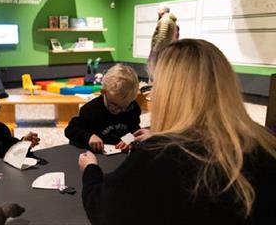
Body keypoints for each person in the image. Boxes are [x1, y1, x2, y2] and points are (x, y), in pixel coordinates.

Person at [79, 39, 276, 225]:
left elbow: (103, 210)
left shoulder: (158, 156)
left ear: (170, 93)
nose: (152, 95)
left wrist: (90, 169)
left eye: (154, 87)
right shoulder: (265, 143)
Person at [65, 64, 141, 153]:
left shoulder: (132, 108)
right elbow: (71, 130)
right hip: (94, 155)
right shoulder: (91, 110)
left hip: (118, 155)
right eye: (113, 104)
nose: (117, 110)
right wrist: (89, 136)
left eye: (123, 107)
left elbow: (135, 129)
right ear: (103, 92)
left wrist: (129, 140)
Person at [147, 3, 178, 82]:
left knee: (154, 71)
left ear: (163, 10)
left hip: (159, 50)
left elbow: (162, 36)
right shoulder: (171, 20)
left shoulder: (164, 20)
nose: (157, 11)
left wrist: (155, 49)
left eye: (158, 9)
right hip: (165, 49)